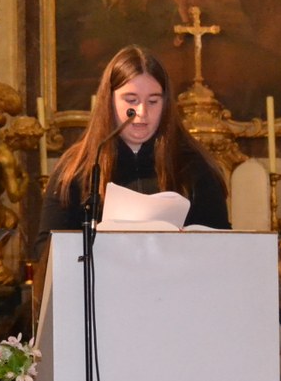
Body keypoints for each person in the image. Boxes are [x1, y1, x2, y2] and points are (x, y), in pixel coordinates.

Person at [37, 45, 229, 255]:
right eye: (131, 100)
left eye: (153, 101)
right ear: (109, 101)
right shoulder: (75, 168)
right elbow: (47, 251)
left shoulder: (194, 166)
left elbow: (224, 247)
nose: (142, 112)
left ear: (166, 103)